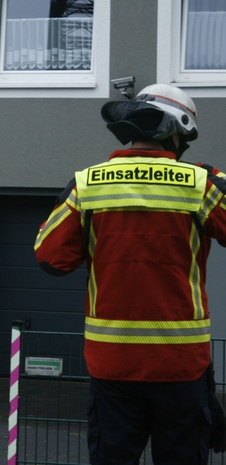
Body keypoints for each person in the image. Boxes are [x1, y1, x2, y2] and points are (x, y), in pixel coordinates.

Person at [34, 83, 226, 464]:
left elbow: (50, 258)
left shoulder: (87, 184)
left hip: (112, 368)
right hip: (181, 368)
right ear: (176, 132)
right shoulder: (200, 185)